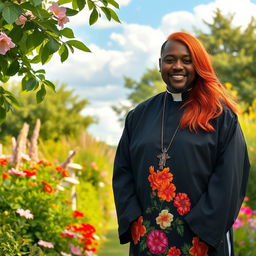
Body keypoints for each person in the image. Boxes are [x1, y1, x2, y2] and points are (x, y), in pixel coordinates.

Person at [112, 32, 250, 256]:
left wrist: (201, 230)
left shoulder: (219, 115)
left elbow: (230, 179)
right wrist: (134, 221)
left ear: (198, 65)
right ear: (160, 65)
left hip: (201, 240)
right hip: (148, 239)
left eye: (187, 60)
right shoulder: (138, 116)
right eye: (170, 60)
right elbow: (123, 171)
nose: (177, 66)